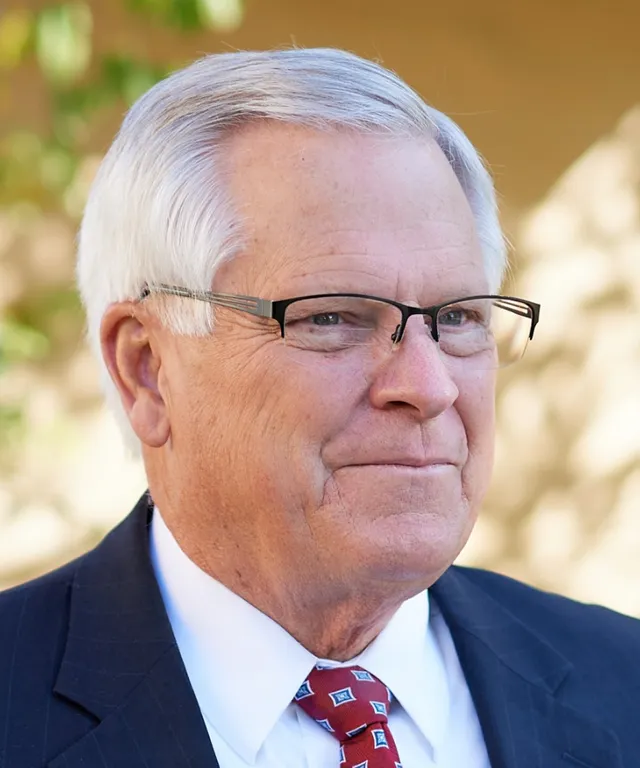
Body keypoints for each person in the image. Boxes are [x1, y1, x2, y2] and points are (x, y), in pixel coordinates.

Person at [0, 47, 638, 768]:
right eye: (332, 317)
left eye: (458, 317)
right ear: (147, 370)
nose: (429, 387)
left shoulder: (625, 685)